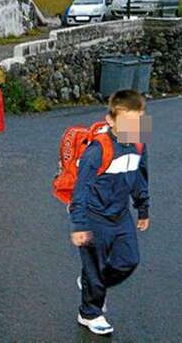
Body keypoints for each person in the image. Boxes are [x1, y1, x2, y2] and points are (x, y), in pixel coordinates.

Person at [70, 90, 151, 335]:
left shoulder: (138, 144)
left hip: (121, 215)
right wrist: (79, 225)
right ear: (111, 120)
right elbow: (80, 191)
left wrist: (143, 209)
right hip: (95, 218)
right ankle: (89, 313)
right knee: (94, 268)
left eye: (138, 121)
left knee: (129, 261)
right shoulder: (97, 150)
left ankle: (91, 285)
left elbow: (140, 178)